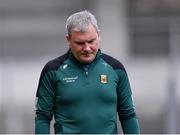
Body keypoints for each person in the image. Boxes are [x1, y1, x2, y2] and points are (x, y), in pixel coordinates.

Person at [35, 10, 140, 134]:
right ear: (68, 40)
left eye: (91, 41)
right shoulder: (52, 70)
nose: (87, 48)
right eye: (80, 43)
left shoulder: (116, 69)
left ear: (99, 36)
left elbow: (128, 115)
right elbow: (42, 118)